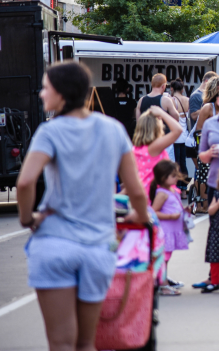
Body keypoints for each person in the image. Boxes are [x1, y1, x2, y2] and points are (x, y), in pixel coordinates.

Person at [16, 62, 149, 351]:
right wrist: (139, 215)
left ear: (62, 94)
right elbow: (135, 188)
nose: (41, 94)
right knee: (87, 343)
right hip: (97, 248)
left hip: (54, 243)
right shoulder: (113, 129)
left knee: (62, 343)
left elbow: (26, 182)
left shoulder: (50, 132)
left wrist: (28, 218)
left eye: (45, 88)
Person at [150, 159, 190, 296]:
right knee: (163, 259)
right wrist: (170, 217)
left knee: (166, 258)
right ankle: (163, 284)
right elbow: (154, 211)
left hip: (172, 231)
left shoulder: (171, 190)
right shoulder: (162, 193)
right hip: (165, 231)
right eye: (173, 175)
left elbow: (173, 206)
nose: (176, 177)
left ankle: (161, 282)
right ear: (163, 177)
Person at [132, 106, 186, 191]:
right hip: (158, 193)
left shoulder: (135, 149)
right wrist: (162, 113)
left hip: (145, 192)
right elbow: (178, 130)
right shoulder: (154, 147)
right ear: (156, 128)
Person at [167, 78, 192, 183]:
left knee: (176, 163)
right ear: (182, 89)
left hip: (176, 136)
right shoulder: (188, 99)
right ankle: (184, 189)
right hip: (185, 136)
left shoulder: (172, 100)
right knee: (183, 162)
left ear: (172, 89)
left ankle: (177, 186)